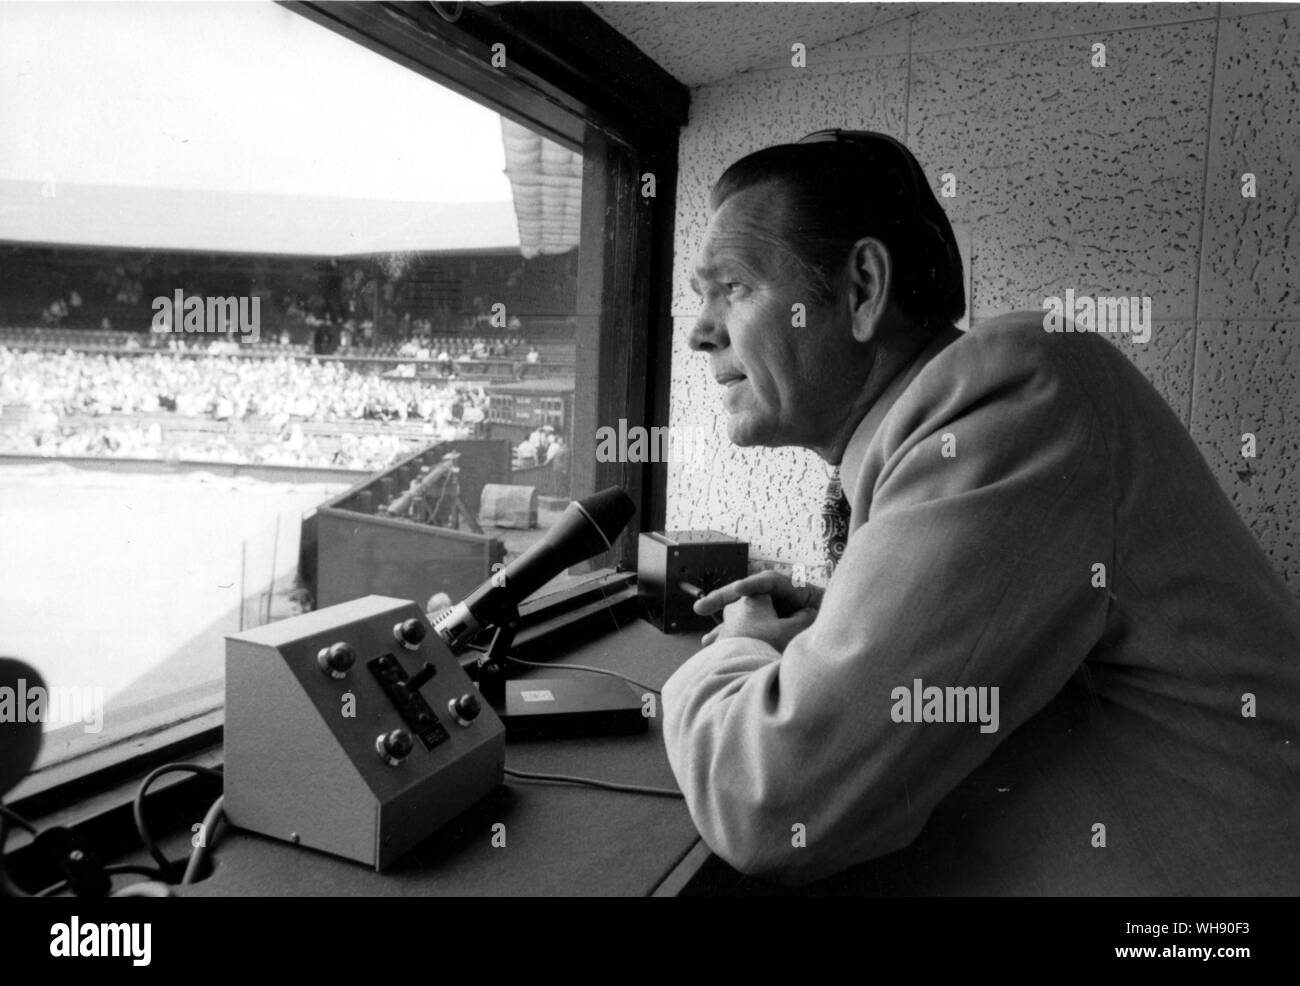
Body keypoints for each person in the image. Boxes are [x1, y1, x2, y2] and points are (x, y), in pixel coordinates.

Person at [662, 130, 1300, 892]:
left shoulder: (1017, 390)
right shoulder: (955, 432)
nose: (700, 333)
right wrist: (840, 625)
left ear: (863, 289)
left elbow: (771, 802)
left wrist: (730, 654)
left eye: (732, 287)